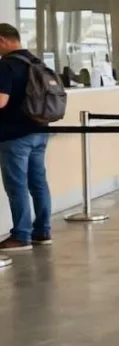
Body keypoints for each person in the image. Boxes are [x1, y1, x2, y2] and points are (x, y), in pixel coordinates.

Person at [0, 24, 51, 251]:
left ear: (2, 40)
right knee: (38, 183)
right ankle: (42, 231)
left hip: (14, 135)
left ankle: (21, 235)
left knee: (17, 185)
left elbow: (1, 101)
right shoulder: (36, 62)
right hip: (40, 131)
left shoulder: (6, 65)